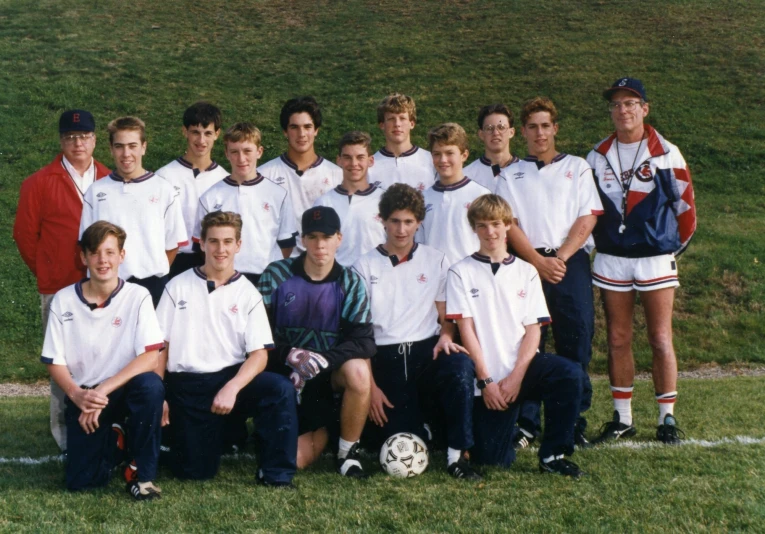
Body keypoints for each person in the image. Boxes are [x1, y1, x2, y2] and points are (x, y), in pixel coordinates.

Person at [587, 77, 696, 445]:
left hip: (654, 259)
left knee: (660, 337)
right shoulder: (598, 154)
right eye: (616, 104)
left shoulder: (665, 152)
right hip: (612, 259)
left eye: (630, 103)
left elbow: (686, 210)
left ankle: (667, 418)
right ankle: (623, 418)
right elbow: (586, 210)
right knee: (617, 337)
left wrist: (667, 250)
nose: (623, 110)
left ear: (644, 109)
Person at [155, 211, 298, 486]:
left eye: (228, 242)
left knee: (279, 389)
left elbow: (259, 354)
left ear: (238, 245)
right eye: (214, 241)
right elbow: (162, 346)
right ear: (202, 244)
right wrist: (160, 393)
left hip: (230, 380)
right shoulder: (177, 287)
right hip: (188, 385)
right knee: (195, 471)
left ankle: (276, 474)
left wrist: (232, 387)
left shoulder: (248, 293)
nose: (221, 249)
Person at [446, 194, 585, 478]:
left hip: (520, 373)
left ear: (508, 225)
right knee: (494, 460)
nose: (490, 232)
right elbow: (467, 330)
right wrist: (486, 382)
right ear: (473, 228)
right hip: (485, 381)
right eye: (482, 225)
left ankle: (553, 455)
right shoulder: (460, 272)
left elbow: (534, 330)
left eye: (496, 224)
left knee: (569, 374)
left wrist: (516, 378)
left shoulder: (527, 272)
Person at [495, 97, 603, 449]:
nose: (539, 133)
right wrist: (538, 261)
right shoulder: (510, 174)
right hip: (527, 264)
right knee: (529, 342)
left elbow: (587, 216)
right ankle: (526, 423)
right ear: (522, 131)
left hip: (569, 263)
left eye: (546, 125)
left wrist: (560, 257)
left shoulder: (577, 167)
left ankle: (572, 422)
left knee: (576, 338)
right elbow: (508, 224)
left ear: (555, 128)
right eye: (532, 126)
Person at [353, 184, 479, 480]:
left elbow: (445, 314)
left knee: (460, 365)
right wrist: (370, 387)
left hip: (426, 353)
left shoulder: (435, 259)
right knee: (394, 439)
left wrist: (447, 336)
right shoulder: (364, 265)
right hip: (384, 359)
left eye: (408, 221)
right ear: (381, 220)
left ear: (419, 222)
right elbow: (361, 334)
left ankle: (457, 456)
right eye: (394, 221)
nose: (401, 229)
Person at [41, 221, 165, 499]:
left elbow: (150, 357)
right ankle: (118, 441)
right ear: (83, 257)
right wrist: (77, 394)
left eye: (110, 252)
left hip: (122, 388)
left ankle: (143, 475)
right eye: (95, 252)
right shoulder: (63, 300)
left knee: (151, 386)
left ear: (122, 255)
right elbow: (54, 360)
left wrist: (103, 390)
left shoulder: (138, 296)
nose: (102, 260)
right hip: (85, 395)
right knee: (82, 482)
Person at [14, 109, 111, 453]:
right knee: (61, 362)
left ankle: (104, 427)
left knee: (103, 358)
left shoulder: (109, 178)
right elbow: (25, 236)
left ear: (95, 139)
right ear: (61, 141)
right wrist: (48, 270)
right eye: (70, 138)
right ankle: (64, 436)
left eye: (84, 136)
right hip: (59, 287)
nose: (77, 143)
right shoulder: (38, 182)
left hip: (104, 286)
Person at [257, 206, 375, 478]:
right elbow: (255, 334)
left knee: (358, 371)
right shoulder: (276, 275)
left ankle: (348, 453)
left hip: (325, 378)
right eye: (313, 237)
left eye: (327, 236)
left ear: (339, 238)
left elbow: (364, 342)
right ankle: (325, 431)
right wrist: (289, 355)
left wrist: (325, 360)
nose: (320, 244)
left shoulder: (350, 282)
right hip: (284, 377)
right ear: (302, 239)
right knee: (292, 461)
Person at [79, 116, 188, 306]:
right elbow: (87, 244)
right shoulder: (96, 192)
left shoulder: (164, 190)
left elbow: (172, 245)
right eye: (119, 146)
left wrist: (151, 269)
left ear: (144, 147)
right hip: (107, 284)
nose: (126, 153)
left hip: (152, 285)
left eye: (132, 146)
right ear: (111, 149)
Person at [194, 122, 297, 285]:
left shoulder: (278, 194)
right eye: (234, 152)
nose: (241, 158)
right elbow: (201, 245)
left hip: (266, 279)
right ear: (227, 154)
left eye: (247, 151)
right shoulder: (210, 196)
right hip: (224, 279)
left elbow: (287, 244)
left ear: (259, 152)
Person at [259, 96, 342, 256]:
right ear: (285, 131)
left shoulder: (336, 175)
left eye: (307, 126)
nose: (301, 134)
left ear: (316, 130)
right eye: (294, 127)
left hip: (324, 263)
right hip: (279, 264)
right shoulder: (265, 175)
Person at [155, 102, 228, 278]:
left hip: (209, 261)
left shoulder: (224, 180)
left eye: (208, 133)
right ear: (184, 131)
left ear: (217, 134)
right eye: (195, 132)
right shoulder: (163, 176)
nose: (201, 141)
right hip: (171, 259)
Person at [416, 123, 492, 266]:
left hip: (471, 280)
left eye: (449, 153)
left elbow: (492, 243)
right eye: (437, 154)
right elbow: (419, 245)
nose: (443, 160)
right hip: (434, 281)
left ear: (464, 155)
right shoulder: (422, 199)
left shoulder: (481, 195)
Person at [313, 131, 385, 266]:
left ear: (370, 160)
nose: (354, 163)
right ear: (338, 160)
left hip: (377, 279)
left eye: (360, 157)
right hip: (337, 280)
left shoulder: (385, 200)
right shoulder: (324, 203)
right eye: (347, 157)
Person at [367, 93, 436, 192]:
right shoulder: (370, 165)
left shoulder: (431, 160)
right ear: (382, 125)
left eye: (402, 118)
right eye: (391, 119)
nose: (397, 124)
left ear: (411, 124)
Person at [463, 103, 519, 192]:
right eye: (489, 128)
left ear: (511, 132)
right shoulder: (466, 176)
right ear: (481, 134)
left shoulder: (528, 173)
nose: (496, 133)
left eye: (501, 127)